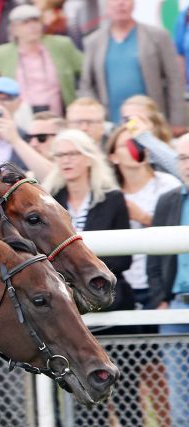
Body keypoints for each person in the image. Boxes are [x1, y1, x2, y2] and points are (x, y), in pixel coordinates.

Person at [43, 129, 133, 313]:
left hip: (105, 291)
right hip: (60, 294)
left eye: (72, 154)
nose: (65, 159)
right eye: (60, 155)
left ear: (89, 158)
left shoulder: (113, 199)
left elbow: (123, 258)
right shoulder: (48, 201)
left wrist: (82, 270)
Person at [79, 0, 185, 133]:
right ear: (106, 5)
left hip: (151, 121)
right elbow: (86, 85)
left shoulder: (158, 36)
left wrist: (178, 120)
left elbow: (174, 79)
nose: (120, 3)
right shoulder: (93, 41)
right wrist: (94, 118)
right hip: (111, 125)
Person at [105, 125, 180, 310]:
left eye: (139, 143)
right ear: (113, 157)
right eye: (128, 144)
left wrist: (144, 218)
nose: (136, 148)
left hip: (160, 284)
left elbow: (178, 231)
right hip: (125, 285)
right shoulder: (109, 195)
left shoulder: (168, 184)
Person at [147, 133, 189, 427]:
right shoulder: (167, 201)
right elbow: (154, 256)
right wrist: (160, 299)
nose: (187, 164)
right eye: (183, 158)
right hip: (174, 308)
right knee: (179, 403)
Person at [0, 4, 82, 115]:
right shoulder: (1, 54)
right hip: (19, 117)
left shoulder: (61, 45)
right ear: (14, 29)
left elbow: (86, 72)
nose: (32, 26)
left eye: (36, 21)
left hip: (58, 115)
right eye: (26, 23)